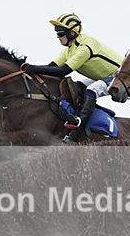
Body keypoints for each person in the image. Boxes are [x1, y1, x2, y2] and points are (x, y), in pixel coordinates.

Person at [21, 12, 123, 140]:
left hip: (119, 75)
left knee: (92, 90)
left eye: (60, 33)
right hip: (102, 76)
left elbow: (63, 70)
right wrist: (31, 70)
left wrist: (33, 68)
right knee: (76, 87)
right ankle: (76, 115)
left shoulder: (85, 47)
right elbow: (52, 67)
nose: (58, 37)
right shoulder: (69, 49)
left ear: (72, 33)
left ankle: (79, 123)